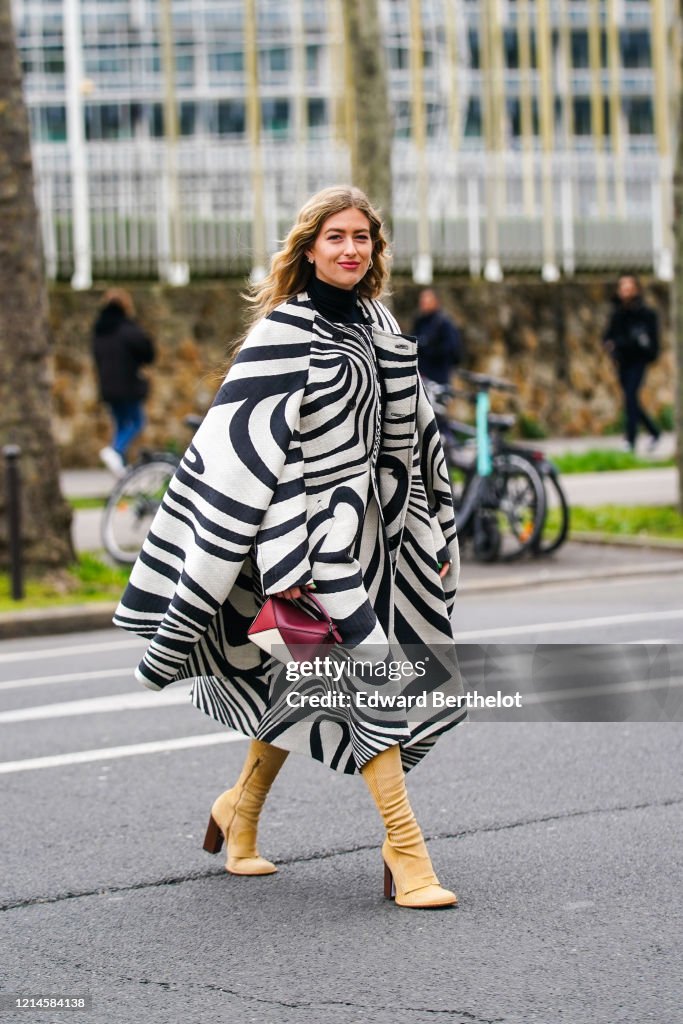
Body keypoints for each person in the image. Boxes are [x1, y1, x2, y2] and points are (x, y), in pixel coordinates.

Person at [113, 186, 465, 909]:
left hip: (374, 539)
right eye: (334, 237)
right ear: (308, 248)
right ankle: (405, 849)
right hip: (306, 546)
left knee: (305, 684)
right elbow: (231, 447)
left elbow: (416, 432)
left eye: (361, 237)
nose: (349, 249)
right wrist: (270, 549)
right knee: (371, 678)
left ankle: (235, 813)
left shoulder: (377, 320)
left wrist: (431, 528)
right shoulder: (285, 330)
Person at [92, 288, 155, 475]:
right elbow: (147, 352)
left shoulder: (99, 330)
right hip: (128, 385)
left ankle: (121, 465)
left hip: (107, 387)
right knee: (136, 422)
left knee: (120, 423)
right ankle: (116, 451)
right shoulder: (128, 329)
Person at [602, 274, 661, 453]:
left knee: (630, 396)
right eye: (622, 288)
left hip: (638, 361)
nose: (625, 291)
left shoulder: (645, 313)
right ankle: (653, 431)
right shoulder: (617, 314)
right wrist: (610, 346)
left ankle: (631, 439)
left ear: (636, 289)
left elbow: (650, 341)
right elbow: (607, 336)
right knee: (631, 399)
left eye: (628, 287)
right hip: (623, 362)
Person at [412, 287, 463, 386]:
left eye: (426, 300)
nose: (423, 303)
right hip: (421, 377)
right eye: (422, 300)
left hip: (439, 379)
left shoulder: (444, 323)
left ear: (435, 301)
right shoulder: (419, 322)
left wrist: (429, 350)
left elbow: (453, 349)